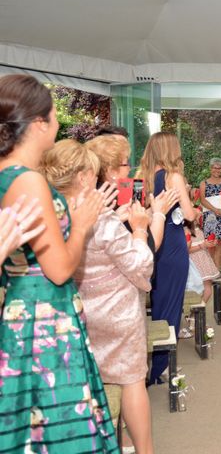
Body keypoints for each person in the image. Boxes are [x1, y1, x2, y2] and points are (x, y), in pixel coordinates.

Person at [0, 74, 118, 451]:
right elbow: (60, 268)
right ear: (38, 124)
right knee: (56, 425)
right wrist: (81, 224)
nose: (57, 124)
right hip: (43, 318)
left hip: (14, 308)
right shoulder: (29, 182)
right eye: (53, 117)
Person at [42, 139, 156, 454]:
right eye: (93, 173)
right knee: (132, 380)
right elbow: (139, 265)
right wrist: (139, 229)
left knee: (89, 382)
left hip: (80, 312)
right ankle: (144, 450)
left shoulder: (52, 214)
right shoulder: (100, 219)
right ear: (82, 177)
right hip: (118, 313)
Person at [138, 131, 196, 384]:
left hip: (152, 243)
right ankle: (159, 367)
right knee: (171, 306)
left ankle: (154, 364)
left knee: (159, 303)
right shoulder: (174, 176)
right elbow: (190, 215)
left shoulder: (144, 177)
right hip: (172, 244)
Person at [186, 211, 221, 304]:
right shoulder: (186, 231)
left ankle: (197, 311)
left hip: (204, 261)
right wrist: (202, 245)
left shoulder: (200, 230)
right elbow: (186, 250)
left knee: (208, 291)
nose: (200, 219)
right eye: (197, 217)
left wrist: (210, 243)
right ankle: (194, 312)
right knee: (195, 291)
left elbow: (205, 245)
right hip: (194, 263)